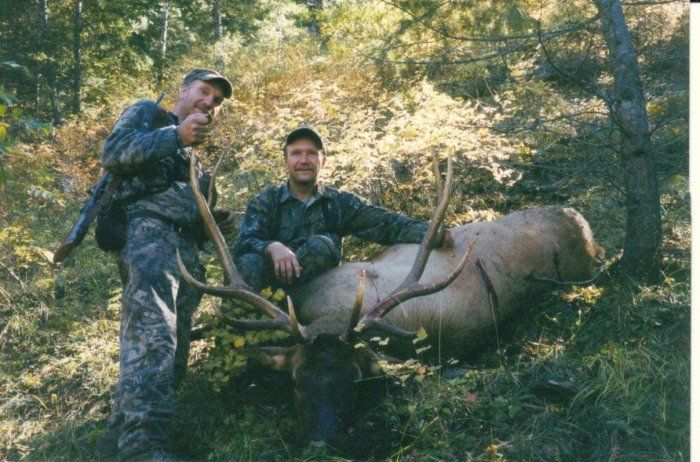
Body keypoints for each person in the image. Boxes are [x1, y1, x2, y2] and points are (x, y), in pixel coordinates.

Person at [97, 69, 234, 461]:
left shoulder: (196, 160)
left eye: (216, 101)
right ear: (184, 91)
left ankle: (118, 439)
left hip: (184, 253)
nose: (209, 103)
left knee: (174, 349)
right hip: (149, 239)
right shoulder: (149, 116)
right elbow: (114, 153)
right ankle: (143, 447)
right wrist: (177, 135)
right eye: (204, 92)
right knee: (153, 339)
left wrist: (214, 220)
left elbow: (200, 217)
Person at [233, 125, 454, 292]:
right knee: (248, 262)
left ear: (323, 161)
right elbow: (244, 243)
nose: (304, 160)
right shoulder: (265, 202)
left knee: (322, 245)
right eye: (296, 153)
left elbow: (387, 225)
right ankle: (243, 336)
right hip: (268, 293)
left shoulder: (340, 203)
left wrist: (432, 232)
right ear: (285, 161)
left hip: (319, 297)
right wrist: (273, 247)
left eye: (311, 153)